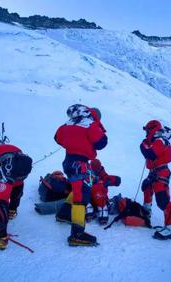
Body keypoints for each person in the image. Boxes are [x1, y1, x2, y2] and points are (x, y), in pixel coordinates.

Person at [54, 104, 107, 246]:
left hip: (68, 161)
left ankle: (64, 214)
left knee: (77, 188)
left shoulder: (68, 123)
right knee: (81, 197)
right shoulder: (90, 125)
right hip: (80, 164)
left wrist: (73, 142)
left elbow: (57, 138)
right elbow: (102, 143)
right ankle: (77, 234)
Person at [140, 120, 171, 240]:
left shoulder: (161, 141)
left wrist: (144, 144)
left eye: (147, 131)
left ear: (153, 130)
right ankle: (146, 214)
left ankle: (170, 228)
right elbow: (147, 150)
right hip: (154, 171)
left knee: (163, 200)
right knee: (146, 188)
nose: (146, 133)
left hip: (161, 172)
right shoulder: (155, 141)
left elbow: (150, 154)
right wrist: (145, 144)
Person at [90, 159, 121, 225]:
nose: (96, 171)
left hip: (101, 198)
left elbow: (108, 178)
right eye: (94, 170)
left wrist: (115, 180)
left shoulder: (102, 174)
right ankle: (89, 210)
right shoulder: (87, 173)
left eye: (97, 169)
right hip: (90, 198)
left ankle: (103, 210)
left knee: (100, 186)